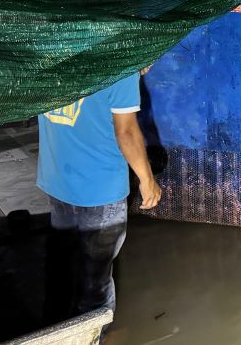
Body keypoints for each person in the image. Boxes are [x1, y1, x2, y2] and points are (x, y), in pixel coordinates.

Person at [39, 72, 162, 326]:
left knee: (62, 266)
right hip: (100, 188)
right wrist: (147, 180)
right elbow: (126, 133)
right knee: (96, 281)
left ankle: (55, 330)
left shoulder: (54, 56)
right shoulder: (121, 71)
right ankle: (94, 334)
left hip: (57, 178)